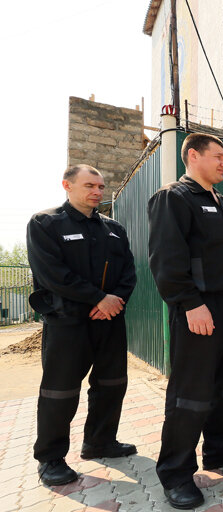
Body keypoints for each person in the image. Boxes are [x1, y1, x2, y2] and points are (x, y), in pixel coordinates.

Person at [148, 133, 223, 509]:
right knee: (191, 393)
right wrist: (188, 303)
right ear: (193, 156)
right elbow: (167, 256)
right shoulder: (175, 198)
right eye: (219, 157)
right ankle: (176, 473)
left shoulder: (220, 201)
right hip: (198, 308)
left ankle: (221, 448)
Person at [26, 164, 137, 487]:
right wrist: (97, 298)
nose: (97, 192)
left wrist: (114, 300)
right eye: (90, 185)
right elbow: (52, 273)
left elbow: (128, 272)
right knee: (60, 391)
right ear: (67, 185)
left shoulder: (113, 228)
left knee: (112, 383)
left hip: (110, 321)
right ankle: (50, 458)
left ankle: (100, 442)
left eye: (101, 187)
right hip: (67, 323)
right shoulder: (45, 223)